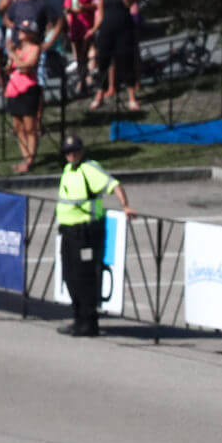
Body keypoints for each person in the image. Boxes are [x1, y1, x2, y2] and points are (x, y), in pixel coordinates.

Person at [54, 132, 134, 337]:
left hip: (86, 232)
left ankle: (89, 323)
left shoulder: (89, 169)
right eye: (67, 153)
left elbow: (114, 184)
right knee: (70, 276)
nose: (71, 156)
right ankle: (78, 318)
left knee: (85, 277)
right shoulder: (68, 169)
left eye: (74, 152)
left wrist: (125, 206)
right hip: (69, 231)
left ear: (81, 151)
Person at [89, 0, 138, 112]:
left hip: (124, 31)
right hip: (106, 31)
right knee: (103, 64)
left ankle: (132, 98)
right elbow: (100, 14)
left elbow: (129, 4)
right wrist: (93, 29)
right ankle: (99, 95)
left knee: (126, 62)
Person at [2, 21, 40, 172]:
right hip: (14, 89)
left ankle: (30, 159)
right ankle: (25, 157)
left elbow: (25, 68)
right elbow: (10, 68)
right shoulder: (17, 49)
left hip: (28, 90)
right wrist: (9, 58)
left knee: (30, 127)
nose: (20, 33)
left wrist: (12, 55)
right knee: (18, 127)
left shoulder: (35, 48)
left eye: (24, 30)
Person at [62, 0, 95, 94]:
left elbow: (96, 5)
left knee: (87, 53)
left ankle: (87, 78)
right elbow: (67, 7)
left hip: (89, 25)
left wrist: (84, 7)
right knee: (80, 56)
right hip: (76, 26)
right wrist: (73, 10)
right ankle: (82, 81)